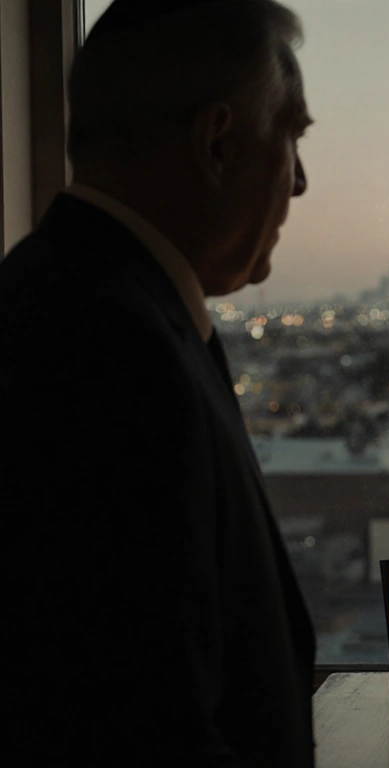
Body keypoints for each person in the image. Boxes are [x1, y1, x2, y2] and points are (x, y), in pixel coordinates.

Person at [0, 1, 316, 763]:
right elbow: (140, 717)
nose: (300, 182)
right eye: (292, 136)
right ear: (217, 142)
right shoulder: (106, 351)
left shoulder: (86, 302)